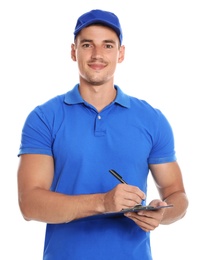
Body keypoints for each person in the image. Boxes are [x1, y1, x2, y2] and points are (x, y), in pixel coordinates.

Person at [17, 9, 189, 260]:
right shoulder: (44, 118)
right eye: (87, 44)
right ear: (74, 51)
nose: (97, 54)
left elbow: (177, 194)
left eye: (108, 45)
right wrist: (102, 202)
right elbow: (29, 204)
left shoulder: (151, 119)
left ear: (120, 54)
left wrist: (162, 214)